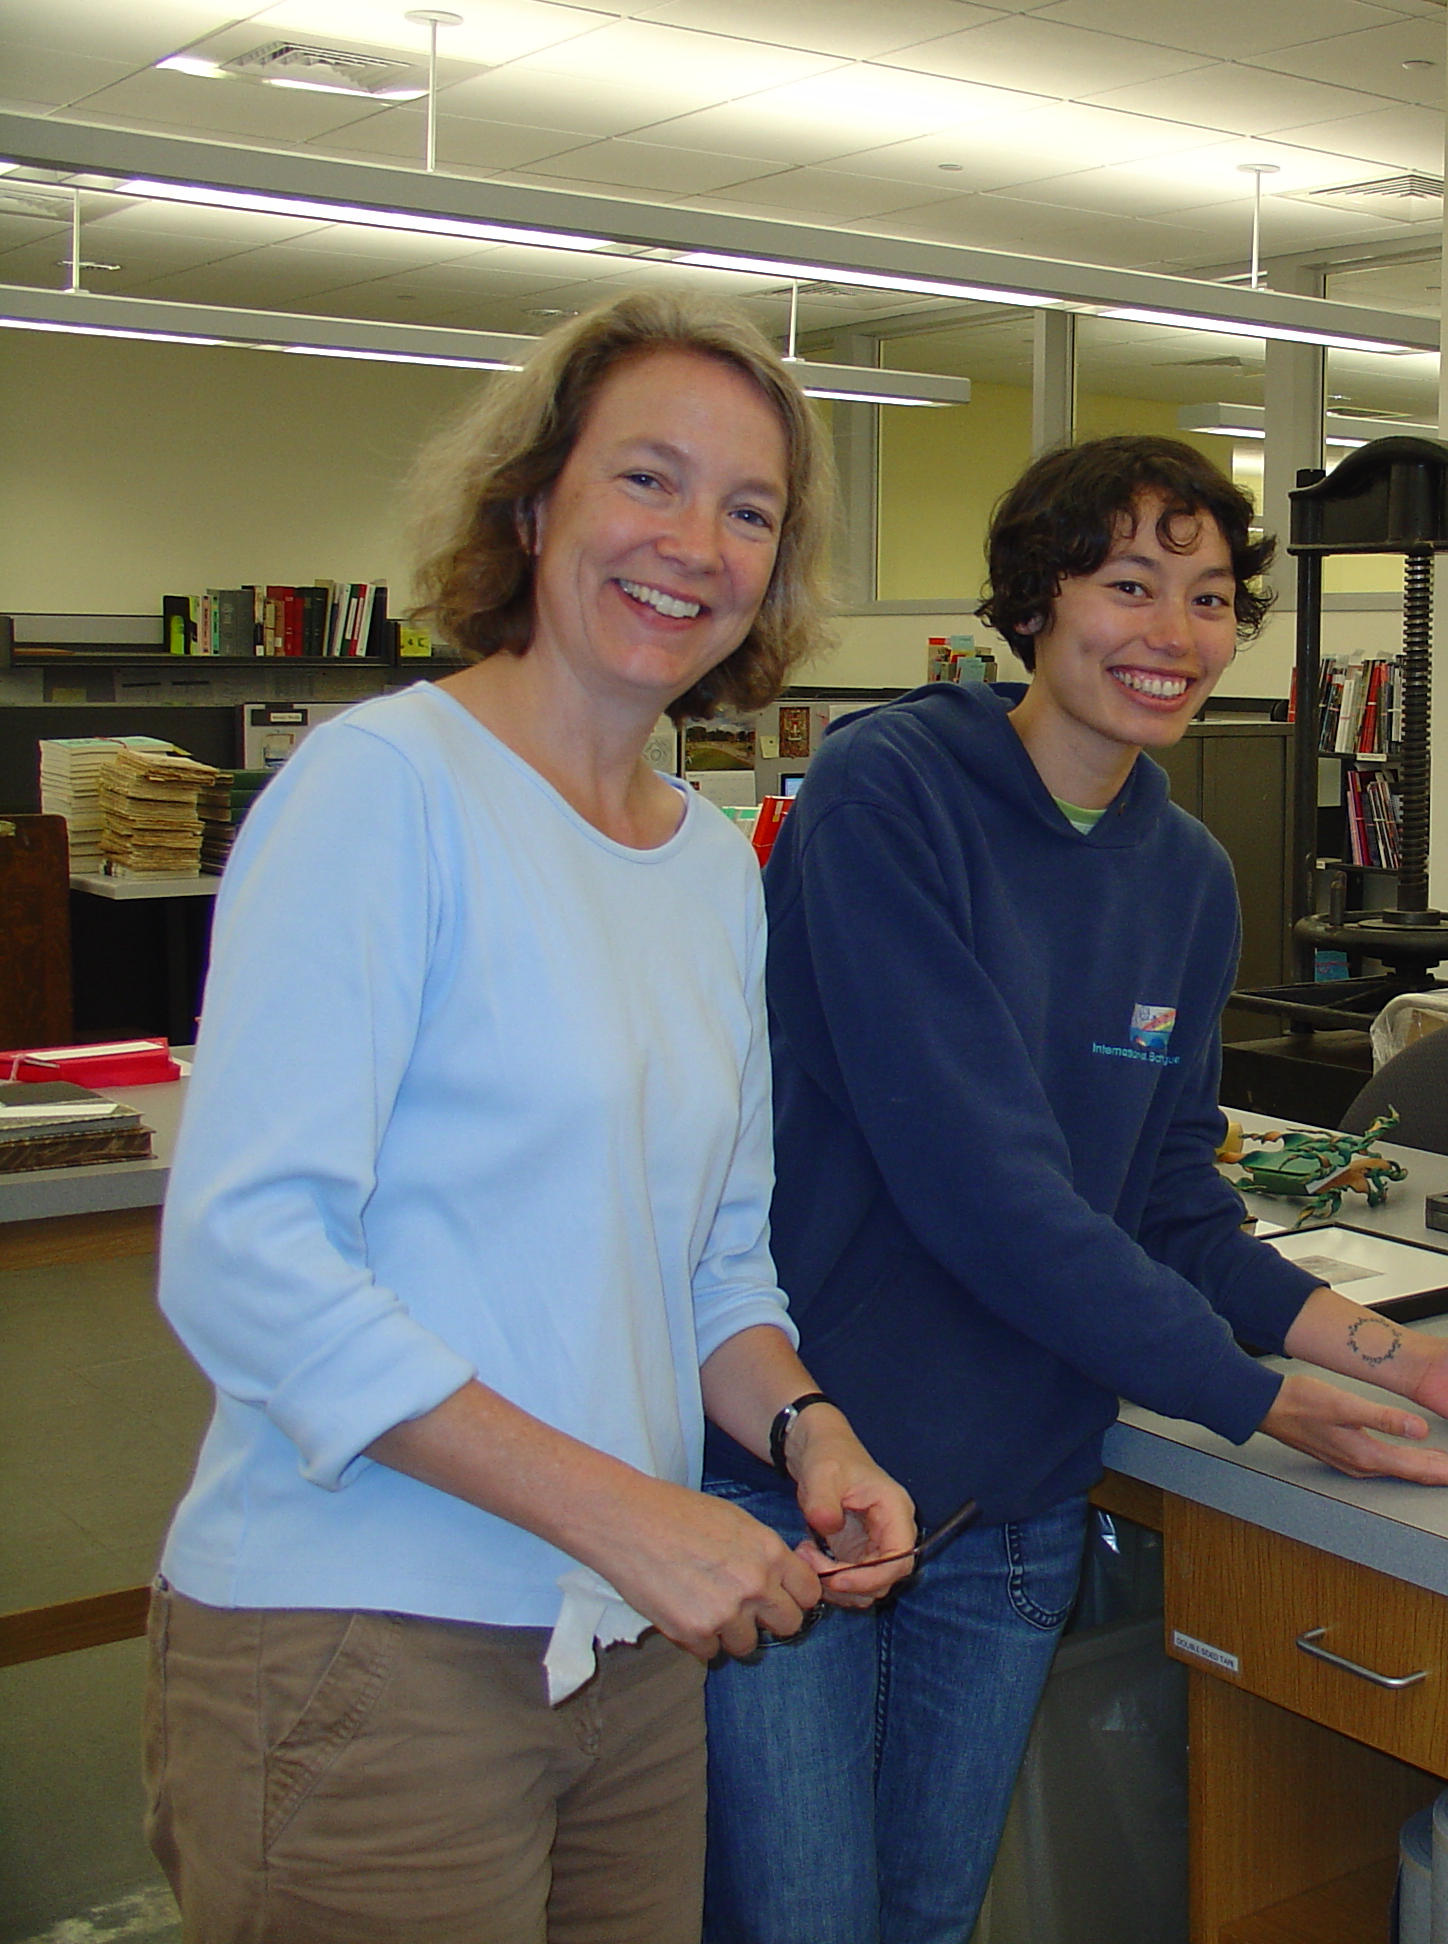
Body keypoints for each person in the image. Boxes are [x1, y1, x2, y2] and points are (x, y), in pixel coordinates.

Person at [146, 292, 916, 1943]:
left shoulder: (709, 864)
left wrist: (809, 1431)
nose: (693, 543)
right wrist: (626, 1512)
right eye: (647, 478)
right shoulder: (383, 789)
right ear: (531, 504)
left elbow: (712, 1264)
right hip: (365, 1638)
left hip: (625, 1650)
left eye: (750, 510)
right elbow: (244, 1257)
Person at [701, 434, 1448, 1944]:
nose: (1173, 634)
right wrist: (1252, 1396)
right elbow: (982, 1184)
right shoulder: (890, 793)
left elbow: (1170, 1201)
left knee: (929, 1917)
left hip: (1012, 1500)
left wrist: (1399, 1361)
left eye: (1208, 600)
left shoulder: (1187, 877)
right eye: (1129, 585)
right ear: (1035, 601)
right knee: (795, 1921)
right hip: (803, 1478)